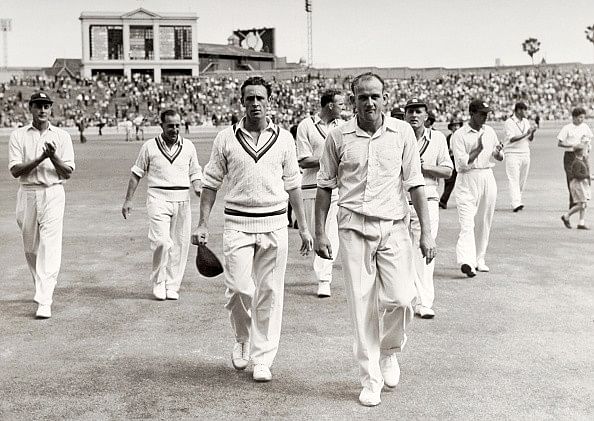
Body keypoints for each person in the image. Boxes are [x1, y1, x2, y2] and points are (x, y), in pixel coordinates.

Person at [315, 73, 435, 407]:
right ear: (353, 100)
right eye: (363, 97)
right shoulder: (338, 136)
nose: (370, 102)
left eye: (376, 96)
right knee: (362, 305)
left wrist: (426, 232)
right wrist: (321, 231)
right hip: (353, 227)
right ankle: (370, 379)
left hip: (395, 226)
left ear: (386, 98)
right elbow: (324, 185)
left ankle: (389, 351)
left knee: (401, 298)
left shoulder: (403, 133)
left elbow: (415, 183)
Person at [191, 76, 313, 383]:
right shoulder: (226, 138)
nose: (255, 103)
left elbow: (294, 186)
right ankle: (243, 338)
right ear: (242, 102)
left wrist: (305, 227)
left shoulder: (284, 138)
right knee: (239, 289)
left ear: (269, 101)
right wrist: (203, 222)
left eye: (260, 98)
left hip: (275, 224)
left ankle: (263, 358)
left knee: (270, 293)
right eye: (250, 98)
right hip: (237, 224)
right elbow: (210, 184)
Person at [122, 109, 202, 301]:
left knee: (180, 245)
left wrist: (198, 186)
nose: (174, 129)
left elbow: (195, 172)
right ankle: (159, 281)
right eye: (170, 126)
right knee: (162, 242)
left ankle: (173, 285)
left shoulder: (189, 146)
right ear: (162, 126)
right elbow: (136, 174)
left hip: (182, 199)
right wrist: (128, 200)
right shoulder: (149, 146)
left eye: (177, 125)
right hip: (158, 198)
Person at [8, 92, 75, 318]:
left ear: (51, 109)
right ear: (31, 108)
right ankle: (41, 286)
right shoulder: (19, 135)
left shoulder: (62, 136)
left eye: (46, 106)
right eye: (38, 106)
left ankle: (45, 299)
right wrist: (40, 158)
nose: (43, 110)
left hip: (53, 192)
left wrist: (53, 157)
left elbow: (67, 173)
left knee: (50, 246)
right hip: (27, 193)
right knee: (31, 249)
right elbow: (16, 170)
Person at [404, 98, 453, 319]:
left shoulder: (438, 138)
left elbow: (448, 171)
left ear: (426, 115)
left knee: (425, 251)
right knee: (402, 251)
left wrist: (426, 168)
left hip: (429, 199)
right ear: (405, 115)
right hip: (401, 201)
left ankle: (424, 302)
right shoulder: (399, 137)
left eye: (418, 112)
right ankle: (406, 298)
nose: (414, 115)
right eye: (410, 111)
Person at [295, 89, 345, 297]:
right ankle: (322, 274)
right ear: (330, 105)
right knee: (319, 233)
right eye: (341, 104)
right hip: (310, 188)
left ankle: (324, 279)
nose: (344, 107)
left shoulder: (343, 127)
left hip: (335, 188)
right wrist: (329, 158)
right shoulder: (306, 126)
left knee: (332, 233)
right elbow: (303, 160)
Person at [451, 99, 504, 278]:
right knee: (467, 223)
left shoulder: (489, 131)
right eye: (482, 114)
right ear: (472, 113)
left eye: (486, 113)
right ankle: (467, 261)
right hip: (467, 178)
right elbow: (462, 164)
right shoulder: (459, 135)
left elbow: (498, 156)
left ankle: (479, 259)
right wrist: (478, 148)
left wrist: (498, 153)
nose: (485, 117)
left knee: (484, 221)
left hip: (487, 176)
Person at [503, 102, 537, 212]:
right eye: (524, 110)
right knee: (513, 179)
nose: (526, 113)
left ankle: (518, 200)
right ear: (518, 110)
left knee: (522, 180)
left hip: (525, 153)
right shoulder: (509, 122)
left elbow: (529, 139)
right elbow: (512, 139)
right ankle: (515, 203)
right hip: (512, 153)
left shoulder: (526, 121)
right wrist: (527, 133)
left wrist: (532, 133)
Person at [557, 107, 593, 209]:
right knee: (572, 179)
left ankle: (583, 199)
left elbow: (588, 139)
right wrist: (572, 145)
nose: (581, 120)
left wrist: (587, 146)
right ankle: (573, 202)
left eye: (583, 118)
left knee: (585, 177)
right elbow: (560, 143)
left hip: (583, 155)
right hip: (571, 156)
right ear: (573, 117)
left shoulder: (585, 127)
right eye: (579, 118)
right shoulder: (567, 128)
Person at [561, 142, 591, 229]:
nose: (587, 151)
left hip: (581, 184)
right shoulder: (577, 162)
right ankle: (566, 215)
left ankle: (581, 222)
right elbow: (577, 175)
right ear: (581, 152)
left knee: (584, 203)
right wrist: (588, 176)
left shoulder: (582, 160)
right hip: (578, 184)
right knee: (581, 204)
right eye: (586, 150)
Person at [439, 118, 463, 209]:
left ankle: (444, 201)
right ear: (451, 128)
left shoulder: (462, 137)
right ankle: (443, 201)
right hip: (451, 159)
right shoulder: (449, 137)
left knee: (462, 181)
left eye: (457, 126)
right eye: (454, 126)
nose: (456, 128)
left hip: (460, 160)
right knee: (449, 180)